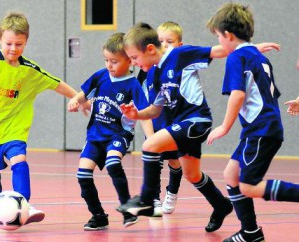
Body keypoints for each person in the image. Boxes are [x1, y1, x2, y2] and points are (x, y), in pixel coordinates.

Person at [118, 22, 280, 232]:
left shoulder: (181, 55)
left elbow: (220, 50)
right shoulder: (154, 74)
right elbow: (155, 110)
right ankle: (221, 205)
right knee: (192, 174)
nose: (133, 63)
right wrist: (136, 114)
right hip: (181, 125)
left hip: (196, 121)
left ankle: (147, 199)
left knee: (150, 145)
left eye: (134, 58)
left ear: (149, 49)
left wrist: (252, 48)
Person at [0, 12, 78, 226]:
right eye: (8, 43)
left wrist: (80, 97)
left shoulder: (29, 70)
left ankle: (25, 204)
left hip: (14, 129)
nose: (13, 49)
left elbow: (56, 83)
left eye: (19, 44)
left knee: (19, 160)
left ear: (26, 42)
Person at [206, 3, 299, 241]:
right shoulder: (254, 54)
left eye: (218, 36)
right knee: (231, 174)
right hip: (261, 129)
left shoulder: (237, 57)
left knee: (247, 186)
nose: (219, 42)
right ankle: (250, 232)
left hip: (260, 131)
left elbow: (237, 94)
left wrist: (224, 127)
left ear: (228, 35)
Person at [67, 32, 153, 230]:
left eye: (114, 61)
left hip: (118, 135)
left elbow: (144, 114)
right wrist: (75, 100)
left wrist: (151, 138)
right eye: (106, 60)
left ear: (130, 61)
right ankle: (98, 216)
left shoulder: (133, 85)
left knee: (113, 163)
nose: (109, 65)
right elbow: (84, 93)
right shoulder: (101, 76)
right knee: (83, 175)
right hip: (95, 136)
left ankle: (127, 207)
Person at [138, 21, 185, 217]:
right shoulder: (148, 69)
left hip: (174, 124)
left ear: (179, 46)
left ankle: (171, 193)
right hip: (155, 122)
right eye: (160, 41)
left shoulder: (181, 69)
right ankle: (154, 199)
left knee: (174, 162)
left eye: (170, 41)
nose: (164, 45)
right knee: (153, 160)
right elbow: (137, 92)